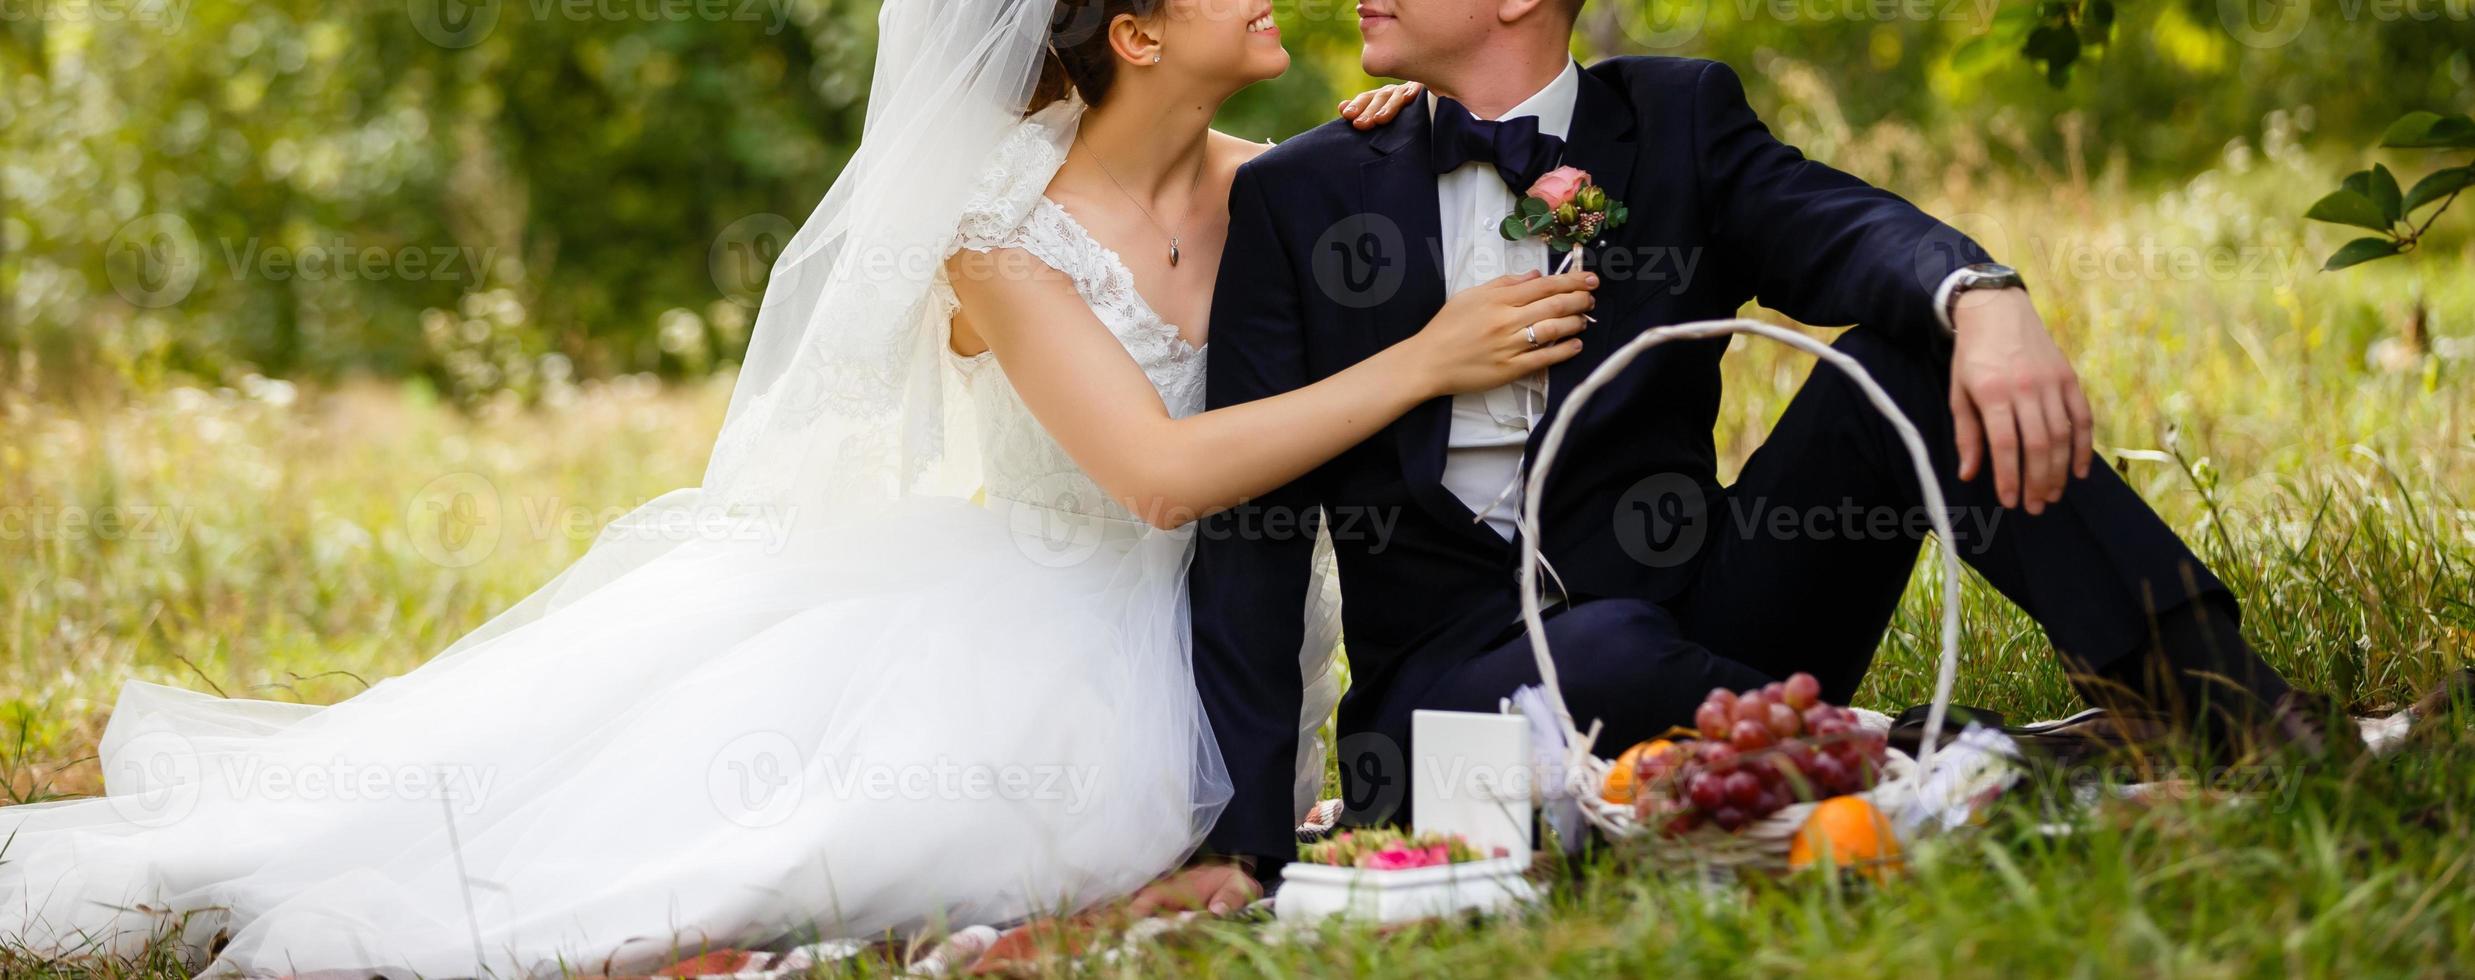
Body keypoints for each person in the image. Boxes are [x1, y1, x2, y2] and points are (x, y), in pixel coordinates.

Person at [0, 0, 1589, 972]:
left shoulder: (1284, 180)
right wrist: (1421, 361)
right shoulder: (999, 233)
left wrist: (1415, 126)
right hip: (1046, 623)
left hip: (1232, 642)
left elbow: (1405, 201)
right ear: (1134, 31)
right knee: (766, 852)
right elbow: (1160, 479)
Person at [1148, 0, 2339, 912]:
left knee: (1902, 364)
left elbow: (1842, 228)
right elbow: (1251, 522)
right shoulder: (1301, 194)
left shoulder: (1675, 119)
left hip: (1710, 618)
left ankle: (2223, 698)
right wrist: (1246, 846)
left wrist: (1983, 295)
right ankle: (1932, 757)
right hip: (1451, 710)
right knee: (1607, 647)